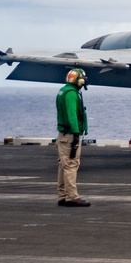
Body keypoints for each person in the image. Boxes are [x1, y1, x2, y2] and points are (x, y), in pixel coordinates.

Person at [56, 68, 91, 207]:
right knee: (71, 164)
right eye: (83, 78)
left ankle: (63, 195)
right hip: (70, 135)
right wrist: (76, 133)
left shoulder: (64, 90)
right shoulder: (71, 94)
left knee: (63, 164)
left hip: (64, 134)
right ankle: (72, 196)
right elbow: (72, 114)